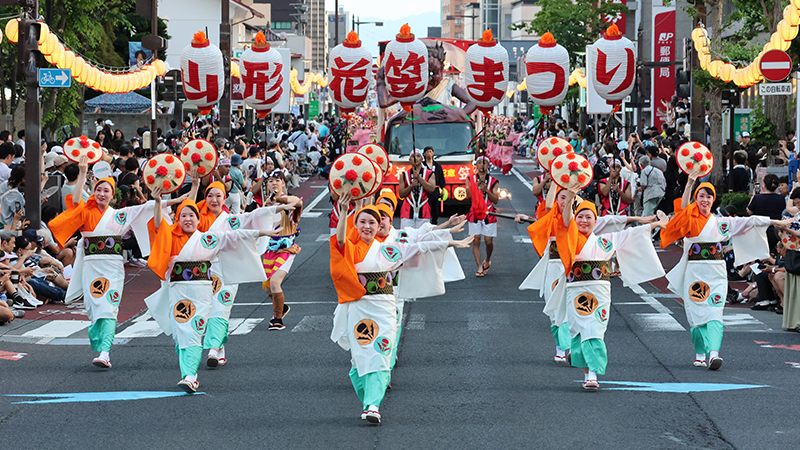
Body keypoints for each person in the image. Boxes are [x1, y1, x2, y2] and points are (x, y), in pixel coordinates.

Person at [329, 193, 470, 424]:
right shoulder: (352, 249)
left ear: (378, 227)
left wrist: (451, 242)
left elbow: (420, 245)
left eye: (372, 223)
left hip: (384, 307)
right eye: (362, 222)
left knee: (382, 355)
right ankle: (368, 400)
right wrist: (345, 212)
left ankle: (374, 405)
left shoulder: (389, 249)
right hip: (358, 308)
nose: (367, 226)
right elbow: (341, 240)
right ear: (356, 225)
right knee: (359, 360)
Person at [145, 193, 283, 392]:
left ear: (198, 220)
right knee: (180, 335)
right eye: (183, 215)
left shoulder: (207, 239)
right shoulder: (170, 236)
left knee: (192, 332)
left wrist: (263, 233)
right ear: (177, 219)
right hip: (177, 294)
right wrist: (158, 203)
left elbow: (236, 235)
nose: (187, 219)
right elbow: (158, 225)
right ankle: (188, 371)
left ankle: (190, 376)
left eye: (191, 215)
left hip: (201, 294)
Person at [660, 173, 790, 370]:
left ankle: (713, 354)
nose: (705, 200)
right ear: (696, 198)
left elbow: (750, 221)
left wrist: (777, 223)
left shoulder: (721, 223)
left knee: (714, 313)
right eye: (701, 196)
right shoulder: (689, 219)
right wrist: (689, 184)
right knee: (696, 316)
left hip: (717, 274)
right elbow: (684, 208)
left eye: (709, 196)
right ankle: (700, 352)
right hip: (695, 275)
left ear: (713, 200)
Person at [47, 156, 158, 368]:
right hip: (91, 268)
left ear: (113, 197)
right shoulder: (85, 211)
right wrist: (81, 173)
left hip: (113, 268)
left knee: (109, 307)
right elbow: (76, 200)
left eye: (106, 191)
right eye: (98, 189)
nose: (101, 193)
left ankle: (105, 353)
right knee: (93, 307)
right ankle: (99, 339)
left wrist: (166, 199)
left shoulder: (119, 215)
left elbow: (148, 208)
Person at [563, 193, 668, 389]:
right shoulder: (569, 237)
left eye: (589, 217)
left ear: (596, 221)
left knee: (594, 330)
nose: (584, 221)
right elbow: (565, 223)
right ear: (574, 218)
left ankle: (592, 375)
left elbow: (632, 234)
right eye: (580, 216)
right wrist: (569, 198)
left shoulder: (605, 240)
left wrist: (657, 225)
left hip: (600, 290)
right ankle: (587, 373)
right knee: (579, 331)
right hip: (576, 290)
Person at [193, 175, 297, 366]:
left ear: (225, 199)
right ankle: (220, 346)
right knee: (206, 311)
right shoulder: (196, 219)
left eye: (218, 196)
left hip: (227, 271)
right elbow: (183, 218)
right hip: (201, 272)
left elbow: (251, 217)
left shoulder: (230, 220)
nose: (214, 200)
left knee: (220, 310)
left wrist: (276, 208)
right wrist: (194, 186)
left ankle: (213, 350)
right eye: (210, 196)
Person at [259, 170, 303, 330]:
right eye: (270, 181)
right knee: (268, 287)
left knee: (275, 282)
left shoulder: (289, 200)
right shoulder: (265, 204)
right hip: (268, 249)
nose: (274, 183)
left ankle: (277, 319)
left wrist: (277, 199)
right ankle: (281, 306)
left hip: (286, 249)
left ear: (283, 183)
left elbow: (297, 202)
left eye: (277, 180)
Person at [465, 155, 499, 276]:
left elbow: (496, 200)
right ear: (476, 165)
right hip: (474, 212)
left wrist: (487, 190)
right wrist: (477, 185)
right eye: (479, 163)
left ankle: (487, 259)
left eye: (484, 163)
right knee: (476, 240)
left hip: (488, 212)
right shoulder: (470, 178)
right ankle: (479, 266)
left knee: (488, 241)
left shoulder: (493, 181)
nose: (482, 165)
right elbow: (468, 195)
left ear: (488, 166)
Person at [398, 149, 436, 229]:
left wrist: (419, 179)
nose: (416, 158)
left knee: (423, 237)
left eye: (418, 156)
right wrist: (411, 186)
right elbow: (401, 194)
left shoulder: (430, 173)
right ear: (409, 160)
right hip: (407, 211)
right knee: (406, 237)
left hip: (424, 210)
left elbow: (432, 189)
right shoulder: (404, 175)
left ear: (422, 159)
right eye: (413, 156)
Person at [422, 146, 445, 225]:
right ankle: (426, 222)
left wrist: (443, 189)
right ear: (424, 154)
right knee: (425, 206)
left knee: (435, 208)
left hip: (435, 189)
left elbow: (441, 177)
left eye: (430, 152)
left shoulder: (437, 166)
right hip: (425, 189)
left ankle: (434, 222)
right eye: (427, 152)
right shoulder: (422, 165)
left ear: (433, 153)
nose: (429, 153)